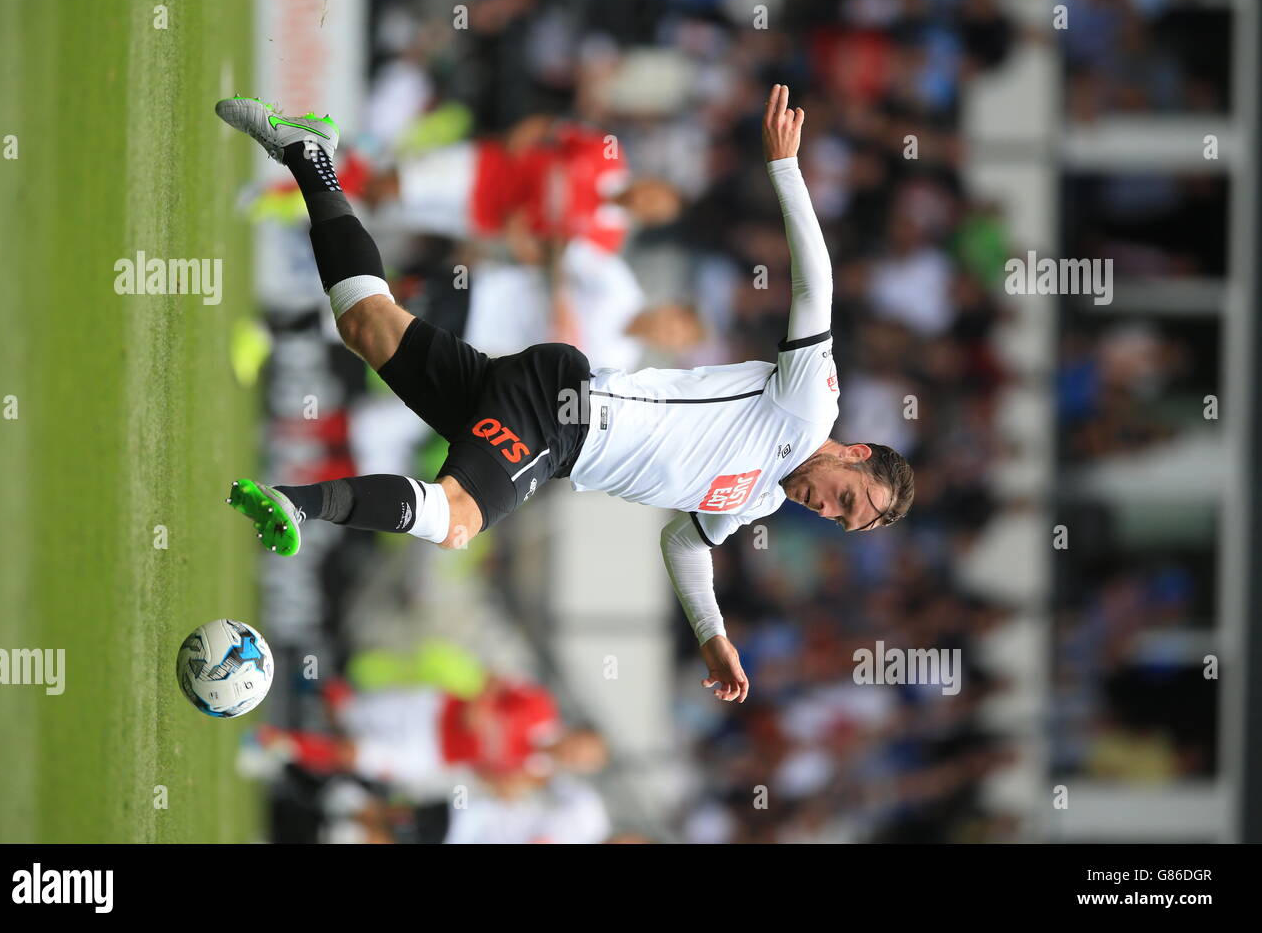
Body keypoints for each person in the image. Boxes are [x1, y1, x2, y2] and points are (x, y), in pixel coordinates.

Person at [215, 85, 914, 704]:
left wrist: (712, 633)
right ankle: (296, 506)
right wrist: (785, 168)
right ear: (853, 452)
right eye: (846, 496)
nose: (827, 509)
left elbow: (685, 544)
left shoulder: (758, 498)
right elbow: (815, 287)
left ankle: (309, 156)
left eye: (840, 521)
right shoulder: (809, 406)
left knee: (367, 324)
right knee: (459, 521)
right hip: (564, 417)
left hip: (550, 423)